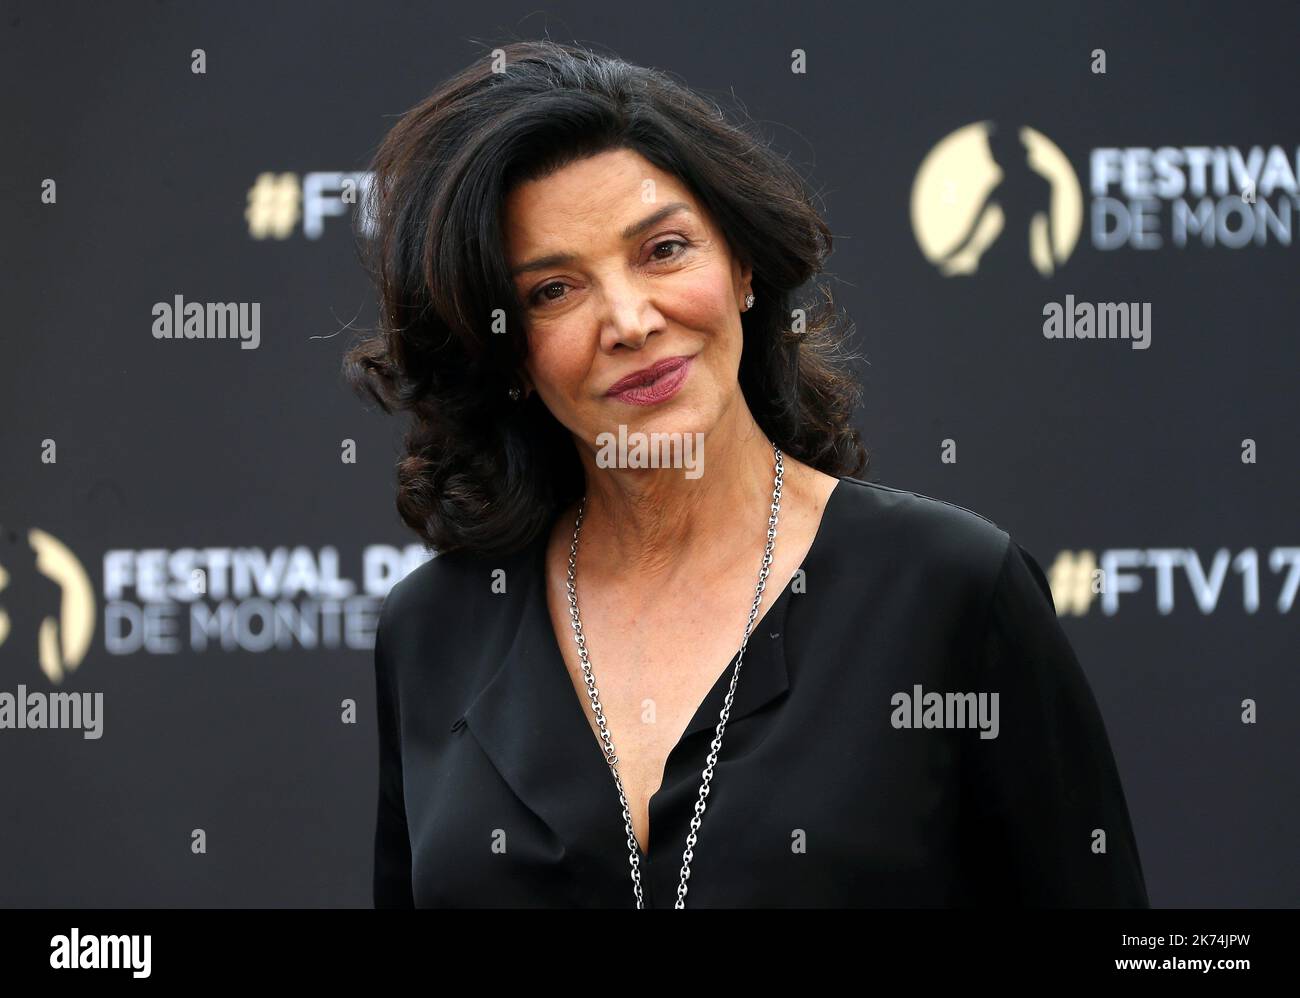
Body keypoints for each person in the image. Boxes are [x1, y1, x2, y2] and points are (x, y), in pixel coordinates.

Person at [345, 39, 1148, 908]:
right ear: (502, 348)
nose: (630, 319)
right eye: (553, 291)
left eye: (662, 250)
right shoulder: (436, 628)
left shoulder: (949, 590)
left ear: (743, 265)